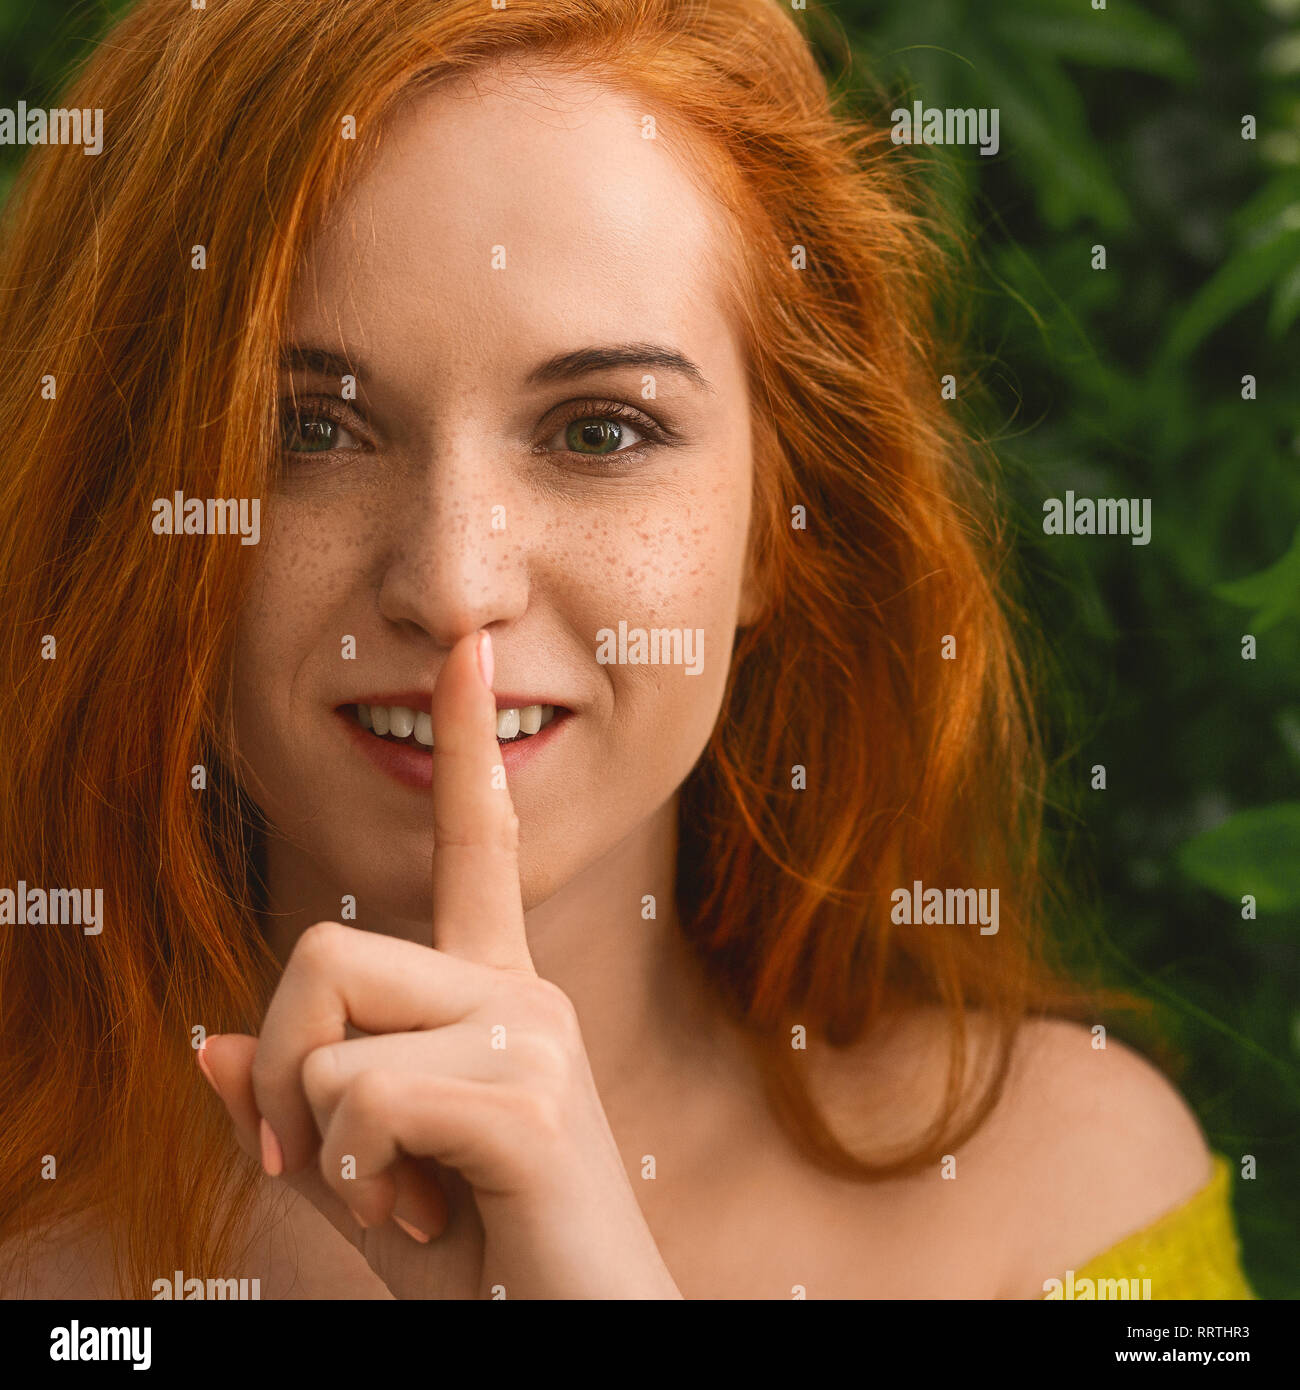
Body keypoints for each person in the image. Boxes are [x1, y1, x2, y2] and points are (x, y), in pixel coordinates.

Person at [0, 0, 1253, 1299]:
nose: (452, 582)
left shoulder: (1070, 1197)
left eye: (599, 431)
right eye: (309, 430)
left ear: (782, 520)